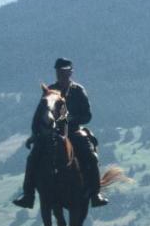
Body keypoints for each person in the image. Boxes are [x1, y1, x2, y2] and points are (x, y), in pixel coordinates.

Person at [13, 57, 108, 208]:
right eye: (59, 72)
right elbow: (39, 115)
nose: (61, 75)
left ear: (70, 72)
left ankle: (96, 194)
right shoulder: (50, 91)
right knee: (33, 157)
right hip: (53, 134)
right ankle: (28, 195)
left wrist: (72, 119)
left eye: (64, 72)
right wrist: (35, 134)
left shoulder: (78, 91)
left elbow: (87, 116)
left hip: (74, 132)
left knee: (91, 155)